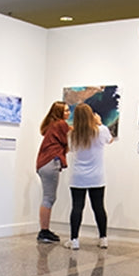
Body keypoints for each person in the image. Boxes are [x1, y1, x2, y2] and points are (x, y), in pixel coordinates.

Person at [67, 103, 112, 250]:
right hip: (97, 177)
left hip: (78, 177)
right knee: (99, 207)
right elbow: (110, 140)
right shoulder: (101, 131)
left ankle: (74, 240)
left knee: (77, 208)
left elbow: (71, 149)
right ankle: (103, 238)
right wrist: (99, 123)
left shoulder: (72, 134)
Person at [36, 101, 69, 242]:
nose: (69, 113)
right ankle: (44, 231)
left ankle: (44, 230)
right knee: (49, 198)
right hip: (51, 163)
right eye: (66, 111)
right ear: (59, 112)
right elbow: (71, 137)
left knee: (48, 197)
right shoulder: (61, 124)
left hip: (43, 164)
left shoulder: (52, 125)